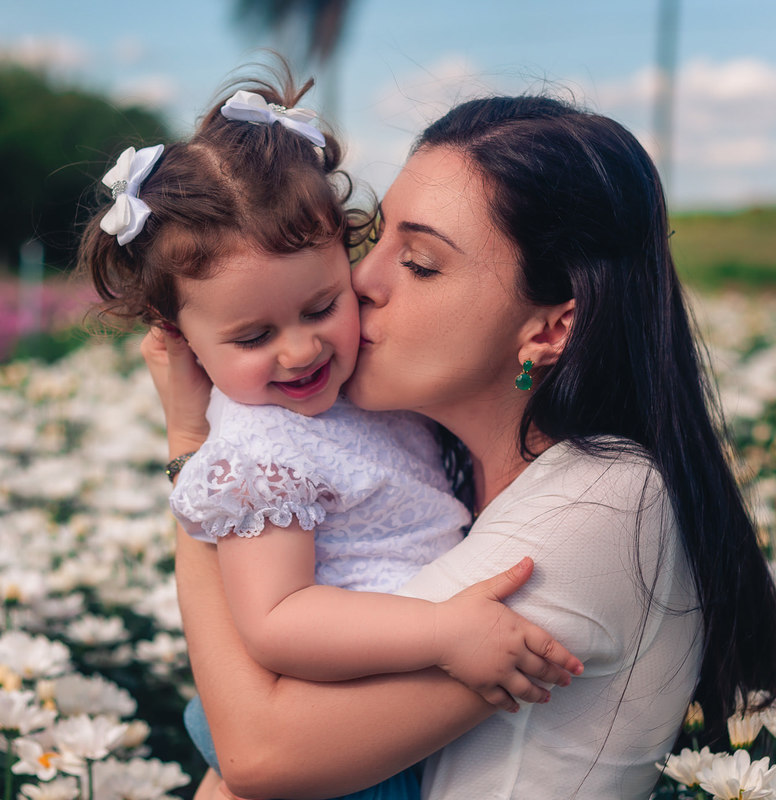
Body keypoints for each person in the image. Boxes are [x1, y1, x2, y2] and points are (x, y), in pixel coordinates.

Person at [142, 93, 776, 799]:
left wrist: (191, 443)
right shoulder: (448, 461)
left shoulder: (600, 503)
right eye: (376, 241)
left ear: (549, 330)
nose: (362, 281)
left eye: (420, 262)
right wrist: (200, 449)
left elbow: (258, 753)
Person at [79, 74, 584, 800]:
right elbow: (278, 620)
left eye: (322, 306)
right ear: (183, 341)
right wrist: (443, 636)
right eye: (253, 336)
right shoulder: (260, 450)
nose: (299, 352)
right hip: (331, 730)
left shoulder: (364, 391)